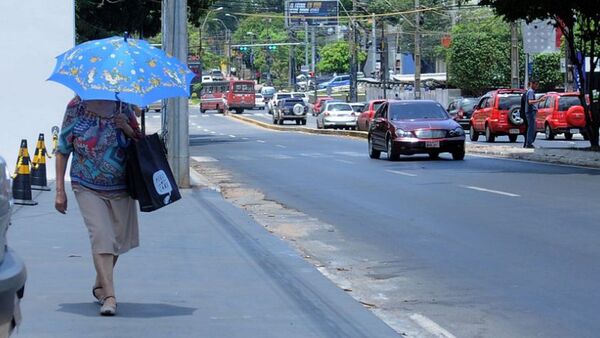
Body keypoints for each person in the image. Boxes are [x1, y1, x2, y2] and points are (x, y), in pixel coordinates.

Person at [55, 97, 141, 316]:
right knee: (101, 235)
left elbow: (139, 140)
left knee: (118, 240)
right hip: (86, 183)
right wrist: (59, 190)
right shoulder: (76, 107)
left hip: (122, 185)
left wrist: (127, 128)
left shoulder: (124, 105)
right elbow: (63, 148)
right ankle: (110, 296)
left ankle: (100, 284)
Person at [524, 79, 542, 148]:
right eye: (536, 84)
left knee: (532, 128)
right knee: (531, 128)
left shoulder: (530, 91)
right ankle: (529, 143)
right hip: (530, 112)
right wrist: (539, 100)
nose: (537, 86)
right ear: (532, 84)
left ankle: (529, 143)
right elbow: (530, 102)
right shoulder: (531, 91)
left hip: (530, 112)